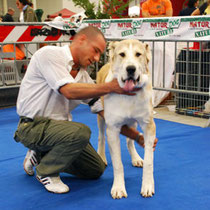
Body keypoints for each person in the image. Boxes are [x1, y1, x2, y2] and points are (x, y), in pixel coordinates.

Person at [14, 26, 158, 194]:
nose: (97, 58)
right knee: (81, 132)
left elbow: (106, 115)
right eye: (95, 51)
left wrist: (137, 136)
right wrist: (109, 87)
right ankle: (46, 171)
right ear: (81, 40)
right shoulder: (48, 55)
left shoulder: (83, 77)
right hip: (31, 126)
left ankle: (40, 153)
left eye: (100, 54)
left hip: (59, 131)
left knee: (95, 169)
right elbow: (69, 90)